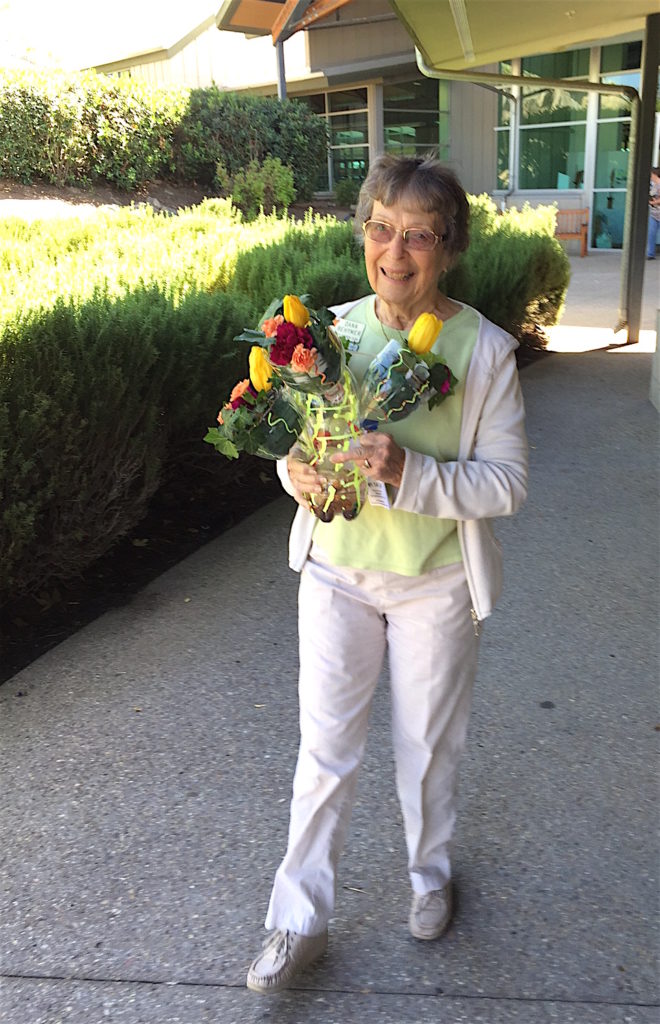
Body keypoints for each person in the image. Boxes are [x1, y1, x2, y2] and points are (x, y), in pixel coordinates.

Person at [246, 154, 529, 994]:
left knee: (427, 747)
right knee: (324, 752)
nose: (394, 252)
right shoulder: (323, 334)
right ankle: (297, 921)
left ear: (449, 248)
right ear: (362, 231)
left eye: (418, 236)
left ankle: (429, 875)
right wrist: (289, 472)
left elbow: (506, 484)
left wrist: (410, 473)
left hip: (435, 584)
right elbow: (298, 448)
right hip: (335, 574)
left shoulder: (483, 350)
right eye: (380, 228)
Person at [647, 167, 660, 260]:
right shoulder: (652, 185)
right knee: (651, 233)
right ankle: (650, 254)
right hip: (653, 214)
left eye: (651, 174)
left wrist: (653, 202)